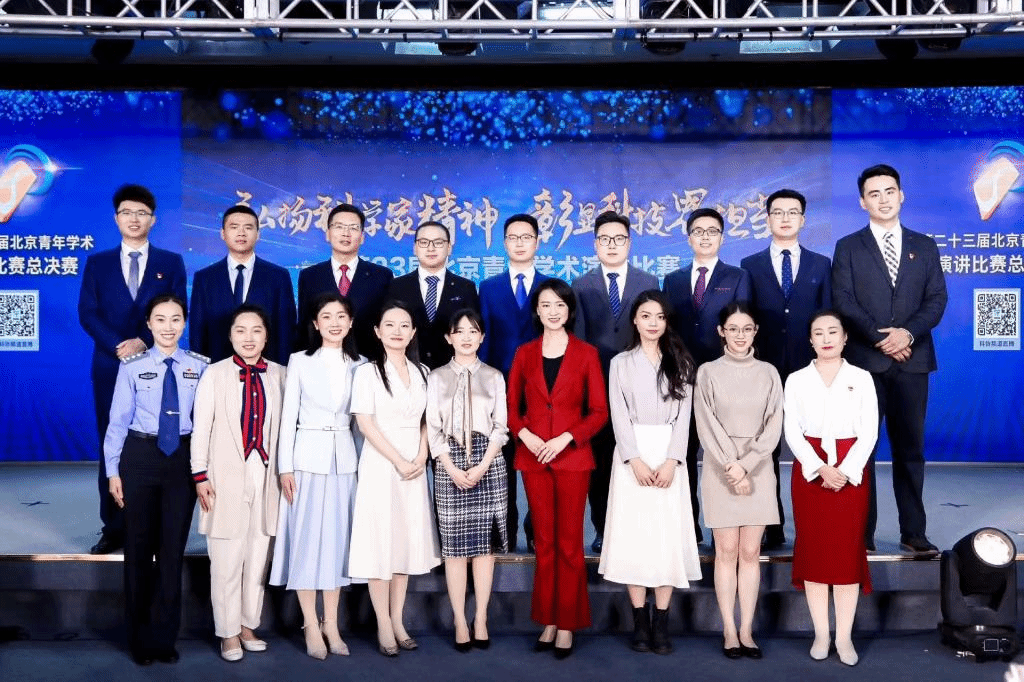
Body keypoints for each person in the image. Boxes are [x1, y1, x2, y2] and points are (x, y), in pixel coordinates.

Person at [832, 164, 947, 555]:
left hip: (913, 361)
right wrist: (882, 338)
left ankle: (913, 532)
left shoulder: (925, 245)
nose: (883, 199)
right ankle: (861, 534)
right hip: (866, 362)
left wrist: (906, 334)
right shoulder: (848, 246)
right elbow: (843, 299)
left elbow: (937, 300)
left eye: (889, 191)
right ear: (862, 202)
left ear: (902, 195)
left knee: (910, 450)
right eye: (874, 193)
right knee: (861, 449)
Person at [79, 183, 187, 555]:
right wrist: (118, 345)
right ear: (116, 218)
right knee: (112, 442)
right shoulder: (98, 263)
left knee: (152, 443)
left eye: (142, 213)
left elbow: (177, 308)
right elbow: (88, 313)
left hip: (156, 364)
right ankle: (113, 526)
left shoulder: (170, 263)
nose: (134, 219)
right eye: (127, 212)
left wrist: (142, 340)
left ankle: (150, 527)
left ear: (153, 220)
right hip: (109, 365)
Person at [103, 294, 208, 665]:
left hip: (182, 460)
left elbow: (206, 423)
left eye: (175, 319)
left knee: (171, 551)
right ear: (148, 324)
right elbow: (117, 421)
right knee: (137, 549)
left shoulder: (200, 366)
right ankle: (138, 638)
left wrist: (204, 471)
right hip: (140, 456)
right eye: (160, 319)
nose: (168, 327)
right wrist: (112, 471)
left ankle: (164, 638)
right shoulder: (132, 367)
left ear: (184, 323)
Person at [507, 279, 608, 659]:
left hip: (571, 458)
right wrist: (526, 435)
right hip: (533, 458)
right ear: (537, 310)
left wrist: (566, 438)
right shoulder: (524, 354)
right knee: (544, 543)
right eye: (546, 305)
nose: (553, 311)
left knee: (569, 544)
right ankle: (547, 620)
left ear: (569, 311)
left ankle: (567, 623)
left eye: (560, 305)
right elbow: (511, 407)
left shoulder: (586, 354)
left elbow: (599, 411)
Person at [598, 290, 701, 655]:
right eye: (645, 315)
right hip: (633, 457)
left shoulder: (682, 362)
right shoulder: (620, 363)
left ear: (666, 321)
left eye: (659, 316)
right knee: (635, 537)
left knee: (665, 537)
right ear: (635, 320)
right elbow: (618, 414)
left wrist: (673, 460)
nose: (653, 323)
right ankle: (639, 619)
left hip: (669, 455)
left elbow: (685, 419)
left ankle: (662, 620)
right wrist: (634, 460)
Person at [268, 293, 366, 660]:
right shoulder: (299, 361)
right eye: (327, 316)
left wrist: (364, 468)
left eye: (341, 316)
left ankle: (332, 624)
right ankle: (310, 624)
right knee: (307, 542)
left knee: (338, 544)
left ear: (351, 322)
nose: (334, 323)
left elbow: (361, 424)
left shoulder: (362, 364)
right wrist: (285, 466)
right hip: (305, 460)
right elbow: (287, 418)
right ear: (315, 323)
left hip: (345, 461)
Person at [190, 304, 286, 662]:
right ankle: (227, 632)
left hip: (267, 474)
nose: (249, 338)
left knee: (257, 557)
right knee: (226, 560)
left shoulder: (281, 375)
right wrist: (200, 474)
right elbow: (201, 429)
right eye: (241, 330)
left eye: (256, 330)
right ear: (230, 336)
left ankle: (248, 625)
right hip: (224, 476)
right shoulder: (214, 374)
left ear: (266, 336)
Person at [784, 310, 878, 666]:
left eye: (833, 332)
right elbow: (792, 430)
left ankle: (844, 637)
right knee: (815, 551)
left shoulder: (862, 378)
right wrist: (819, 468)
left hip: (851, 473)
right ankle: (821, 634)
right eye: (819, 332)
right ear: (810, 339)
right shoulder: (796, 380)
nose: (826, 338)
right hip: (811, 473)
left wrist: (845, 470)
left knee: (845, 554)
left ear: (844, 337)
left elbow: (869, 431)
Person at [348, 300, 441, 657]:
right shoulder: (367, 373)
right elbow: (365, 423)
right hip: (381, 464)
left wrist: (421, 456)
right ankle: (383, 623)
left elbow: (428, 420)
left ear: (413, 332)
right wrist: (398, 460)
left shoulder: (424, 372)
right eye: (389, 325)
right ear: (377, 331)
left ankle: (399, 620)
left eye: (404, 325)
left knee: (405, 543)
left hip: (414, 467)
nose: (397, 331)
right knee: (380, 543)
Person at [741, 189, 833, 550]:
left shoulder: (820, 264)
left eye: (792, 212)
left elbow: (827, 319)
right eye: (777, 212)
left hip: (808, 370)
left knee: (813, 446)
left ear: (803, 219)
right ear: (767, 219)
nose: (784, 218)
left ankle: (814, 523)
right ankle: (771, 524)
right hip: (762, 369)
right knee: (765, 450)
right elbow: (746, 319)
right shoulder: (750, 265)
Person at [694, 302, 782, 660]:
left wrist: (746, 465)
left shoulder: (769, 372)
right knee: (726, 550)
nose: (740, 335)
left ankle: (747, 629)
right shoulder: (707, 372)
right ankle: (728, 630)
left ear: (756, 331)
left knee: (750, 552)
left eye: (747, 328)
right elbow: (706, 424)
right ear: (721, 332)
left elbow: (774, 424)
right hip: (720, 469)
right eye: (733, 328)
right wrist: (732, 466)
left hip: (758, 468)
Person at [663, 208, 751, 544]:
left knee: (724, 454)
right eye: (698, 231)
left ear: (722, 237)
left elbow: (741, 325)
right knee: (683, 453)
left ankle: (723, 526)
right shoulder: (673, 280)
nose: (705, 237)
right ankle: (689, 526)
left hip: (725, 378)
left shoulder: (737, 276)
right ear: (688, 238)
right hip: (682, 378)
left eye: (712, 231)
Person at [572, 210, 658, 554]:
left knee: (639, 456)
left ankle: (638, 528)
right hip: (596, 388)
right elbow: (578, 340)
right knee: (601, 462)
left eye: (619, 239)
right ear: (595, 245)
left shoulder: (648, 281)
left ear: (629, 243)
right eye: (605, 239)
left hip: (639, 385)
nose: (612, 245)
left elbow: (655, 332)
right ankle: (602, 528)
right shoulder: (580, 285)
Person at [426, 308, 509, 652]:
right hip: (450, 463)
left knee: (484, 550)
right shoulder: (435, 377)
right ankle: (460, 619)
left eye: (473, 331)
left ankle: (481, 618)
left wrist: (483, 465)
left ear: (482, 337)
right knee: (455, 550)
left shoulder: (494, 376)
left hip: (488, 462)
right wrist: (449, 467)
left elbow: (501, 427)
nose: (466, 337)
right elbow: (433, 428)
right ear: (449, 337)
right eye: (459, 331)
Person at [479, 213, 551, 552]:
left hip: (542, 390)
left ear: (538, 242)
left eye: (526, 237)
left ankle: (536, 529)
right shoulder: (488, 287)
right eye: (513, 237)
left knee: (540, 463)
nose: (520, 243)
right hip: (499, 388)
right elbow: (484, 340)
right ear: (504, 243)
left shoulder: (551, 286)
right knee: (500, 462)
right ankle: (503, 531)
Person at [189, 205, 296, 364]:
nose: (241, 233)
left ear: (258, 235)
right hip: (218, 370)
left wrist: (282, 372)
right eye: (234, 227)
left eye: (248, 227)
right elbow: (197, 333)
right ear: (223, 234)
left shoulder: (278, 277)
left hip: (266, 371)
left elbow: (286, 332)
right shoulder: (204, 278)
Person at [297, 203, 394, 357]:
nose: (346, 233)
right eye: (339, 227)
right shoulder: (310, 276)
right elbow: (304, 326)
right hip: (322, 360)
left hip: (369, 360)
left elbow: (387, 324)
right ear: (328, 234)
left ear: (362, 237)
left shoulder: (382, 276)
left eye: (353, 228)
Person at [388, 221, 480, 369]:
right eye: (424, 242)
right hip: (407, 369)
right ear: (415, 248)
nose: (431, 248)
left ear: (449, 248)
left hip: (452, 371)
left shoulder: (465, 288)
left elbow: (474, 331)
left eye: (438, 242)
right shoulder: (397, 286)